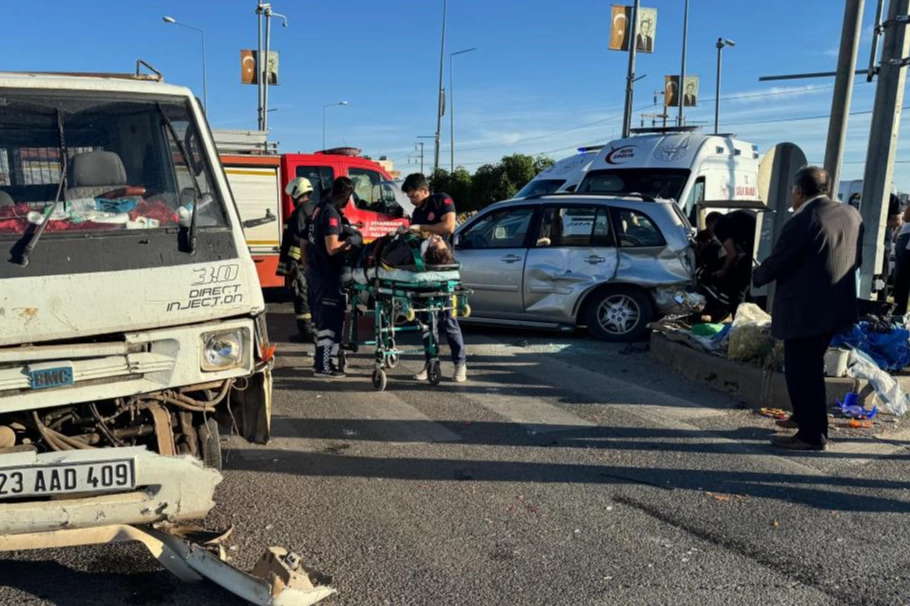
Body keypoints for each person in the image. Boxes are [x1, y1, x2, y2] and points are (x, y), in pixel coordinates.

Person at [752, 166, 863, 452]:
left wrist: (756, 274)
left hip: (805, 311)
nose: (792, 195)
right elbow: (857, 260)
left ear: (799, 191)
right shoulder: (851, 214)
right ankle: (802, 417)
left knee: (805, 371)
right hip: (836, 307)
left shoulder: (804, 221)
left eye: (792, 190)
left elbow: (778, 263)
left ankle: (813, 435)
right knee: (806, 366)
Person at [400, 173, 467, 382]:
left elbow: (448, 226)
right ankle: (431, 363)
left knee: (448, 320)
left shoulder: (441, 200)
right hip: (424, 271)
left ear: (425, 191)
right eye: (410, 198)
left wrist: (422, 228)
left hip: (443, 270)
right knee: (427, 321)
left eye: (414, 196)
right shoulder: (417, 212)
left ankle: (460, 364)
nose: (412, 200)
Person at [307, 176, 361, 379]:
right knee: (329, 322)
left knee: (321, 321)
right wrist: (351, 240)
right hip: (328, 275)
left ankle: (323, 362)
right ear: (346, 195)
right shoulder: (330, 213)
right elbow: (332, 248)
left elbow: (306, 241)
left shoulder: (319, 208)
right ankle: (323, 367)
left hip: (315, 272)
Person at [277, 177, 317, 343]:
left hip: (301, 264)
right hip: (312, 263)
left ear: (296, 193)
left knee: (301, 297)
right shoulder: (314, 208)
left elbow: (298, 240)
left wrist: (293, 263)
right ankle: (314, 330)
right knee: (311, 297)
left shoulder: (300, 212)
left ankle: (306, 333)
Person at [705, 209, 756, 316]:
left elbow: (732, 254)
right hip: (765, 247)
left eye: (710, 230)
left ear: (711, 223)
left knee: (737, 288)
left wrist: (723, 271)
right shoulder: (733, 218)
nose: (713, 235)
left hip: (754, 252)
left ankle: (737, 320)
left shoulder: (720, 225)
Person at [892, 202, 910, 316]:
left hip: (905, 238)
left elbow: (907, 217)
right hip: (906, 239)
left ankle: (897, 319)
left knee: (901, 284)